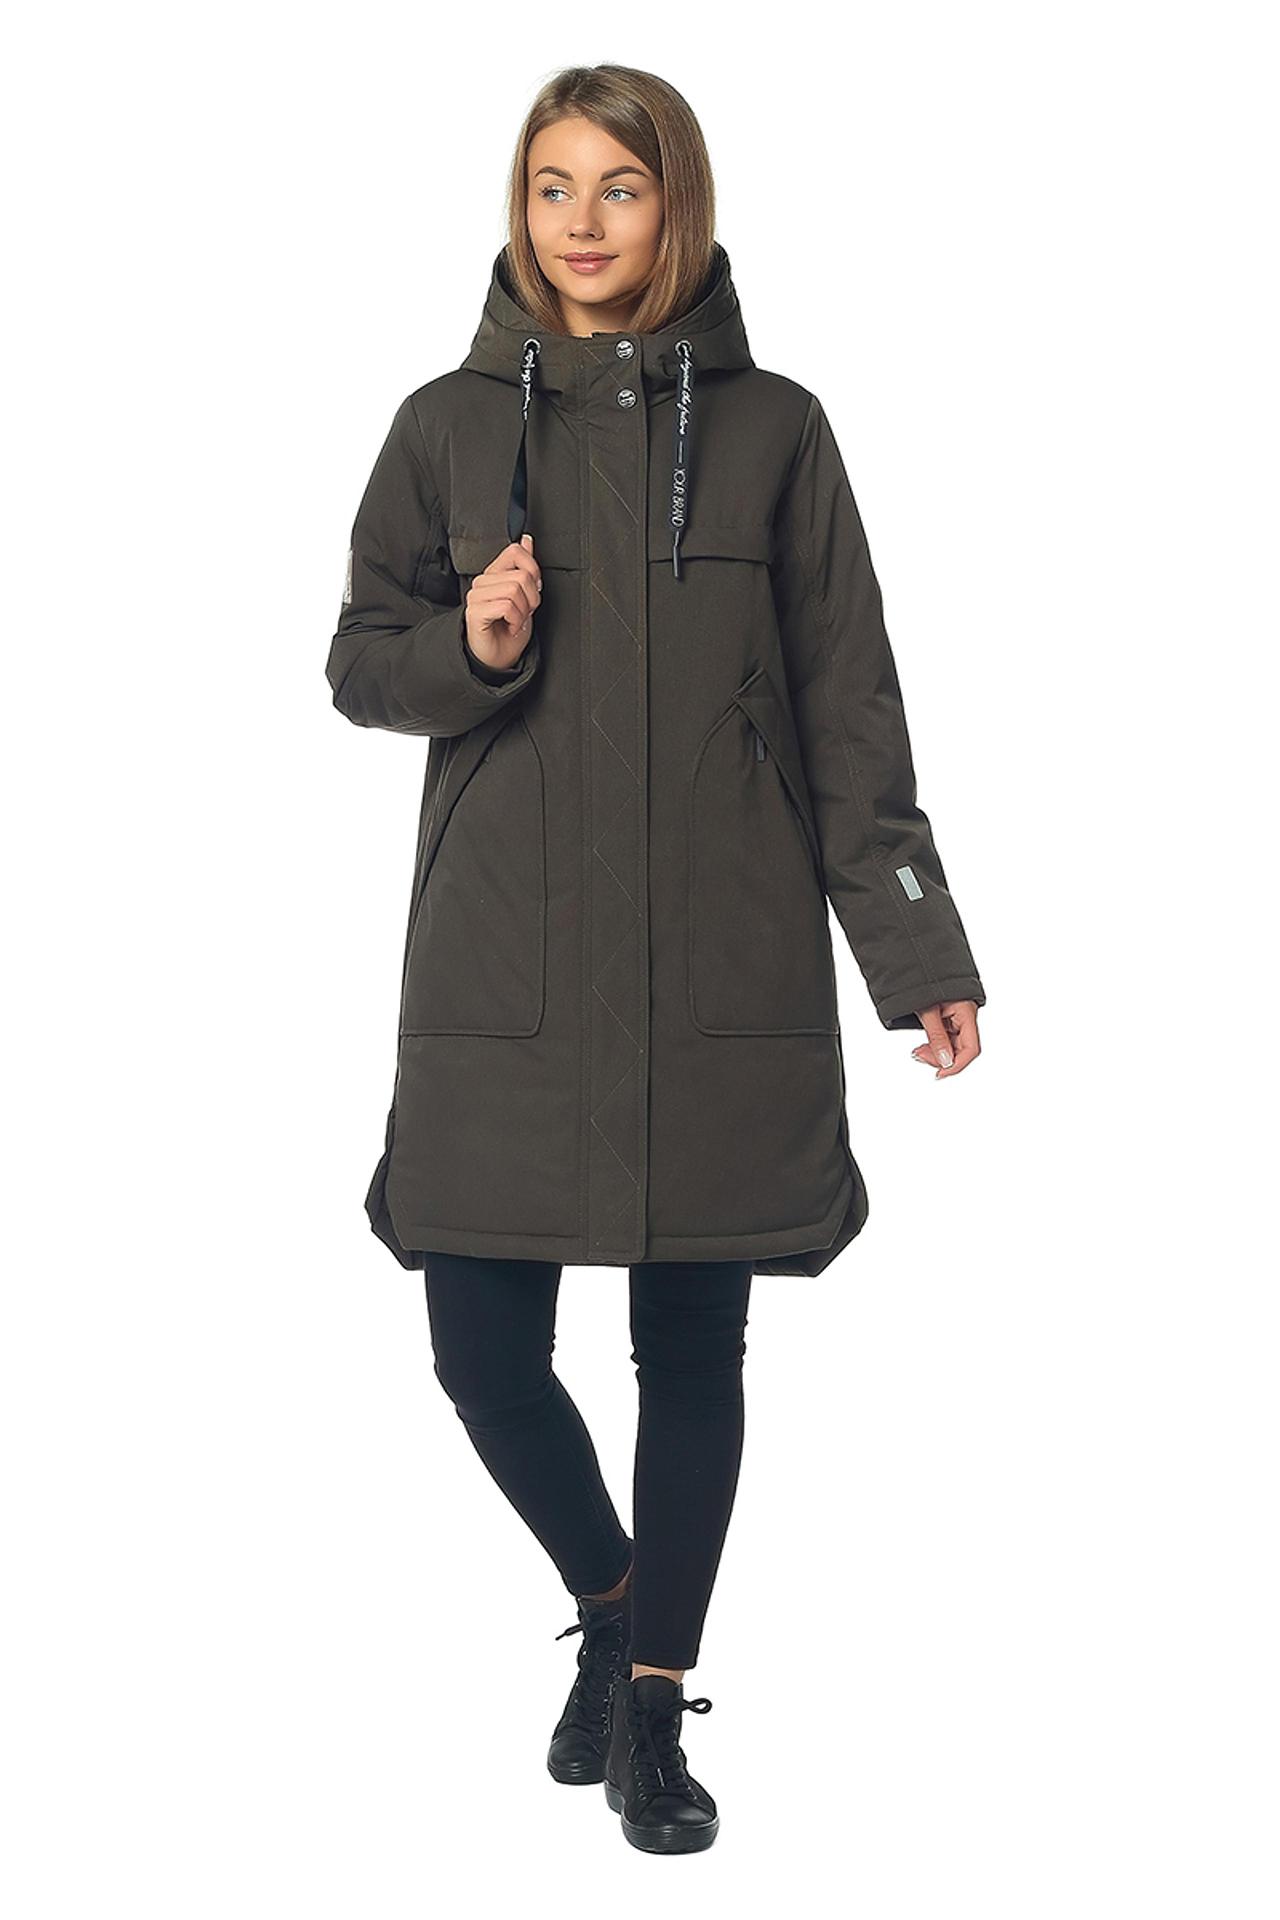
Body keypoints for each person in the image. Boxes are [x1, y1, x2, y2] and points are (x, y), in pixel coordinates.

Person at [324, 64, 986, 1856]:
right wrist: (469, 643)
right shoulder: (446, 428)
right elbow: (360, 660)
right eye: (553, 186)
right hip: (505, 966)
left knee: (693, 1346)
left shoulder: (778, 431)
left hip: (720, 956)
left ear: (677, 202)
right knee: (481, 1350)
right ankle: (615, 1606)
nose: (584, 222)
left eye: (620, 186)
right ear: (519, 204)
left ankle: (654, 1710)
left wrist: (914, 945)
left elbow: (851, 710)